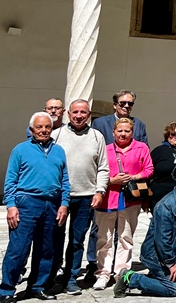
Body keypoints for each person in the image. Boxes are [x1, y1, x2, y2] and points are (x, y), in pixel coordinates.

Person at [112, 167, 176, 298]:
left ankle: (172, 277)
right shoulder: (167, 205)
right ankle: (130, 278)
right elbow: (162, 241)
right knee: (172, 289)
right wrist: (171, 263)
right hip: (157, 255)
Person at [0, 112, 70, 303]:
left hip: (52, 205)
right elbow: (10, 180)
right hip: (26, 204)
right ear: (31, 130)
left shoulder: (59, 150)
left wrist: (64, 204)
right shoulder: (20, 150)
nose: (43, 130)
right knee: (18, 249)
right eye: (39, 127)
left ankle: (37, 286)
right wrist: (11, 206)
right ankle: (6, 290)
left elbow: (65, 180)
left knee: (46, 249)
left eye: (47, 127)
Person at [48, 100, 109, 296]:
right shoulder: (56, 135)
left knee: (77, 240)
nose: (79, 116)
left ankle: (71, 278)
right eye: (75, 112)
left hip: (86, 197)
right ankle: (50, 276)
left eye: (83, 112)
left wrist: (100, 191)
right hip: (59, 197)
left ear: (89, 115)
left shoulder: (97, 136)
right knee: (54, 238)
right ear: (68, 113)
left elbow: (103, 167)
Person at [92, 117, 153, 290]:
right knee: (104, 238)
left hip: (130, 199)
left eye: (127, 131)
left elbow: (149, 169)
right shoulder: (105, 149)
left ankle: (121, 272)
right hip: (107, 198)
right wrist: (112, 180)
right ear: (113, 133)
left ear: (132, 132)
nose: (123, 134)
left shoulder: (141, 148)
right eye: (120, 131)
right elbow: (96, 172)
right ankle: (103, 273)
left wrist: (133, 177)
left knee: (126, 238)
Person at [149, 122, 176, 209]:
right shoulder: (159, 151)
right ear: (167, 136)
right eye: (173, 134)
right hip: (161, 198)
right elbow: (148, 172)